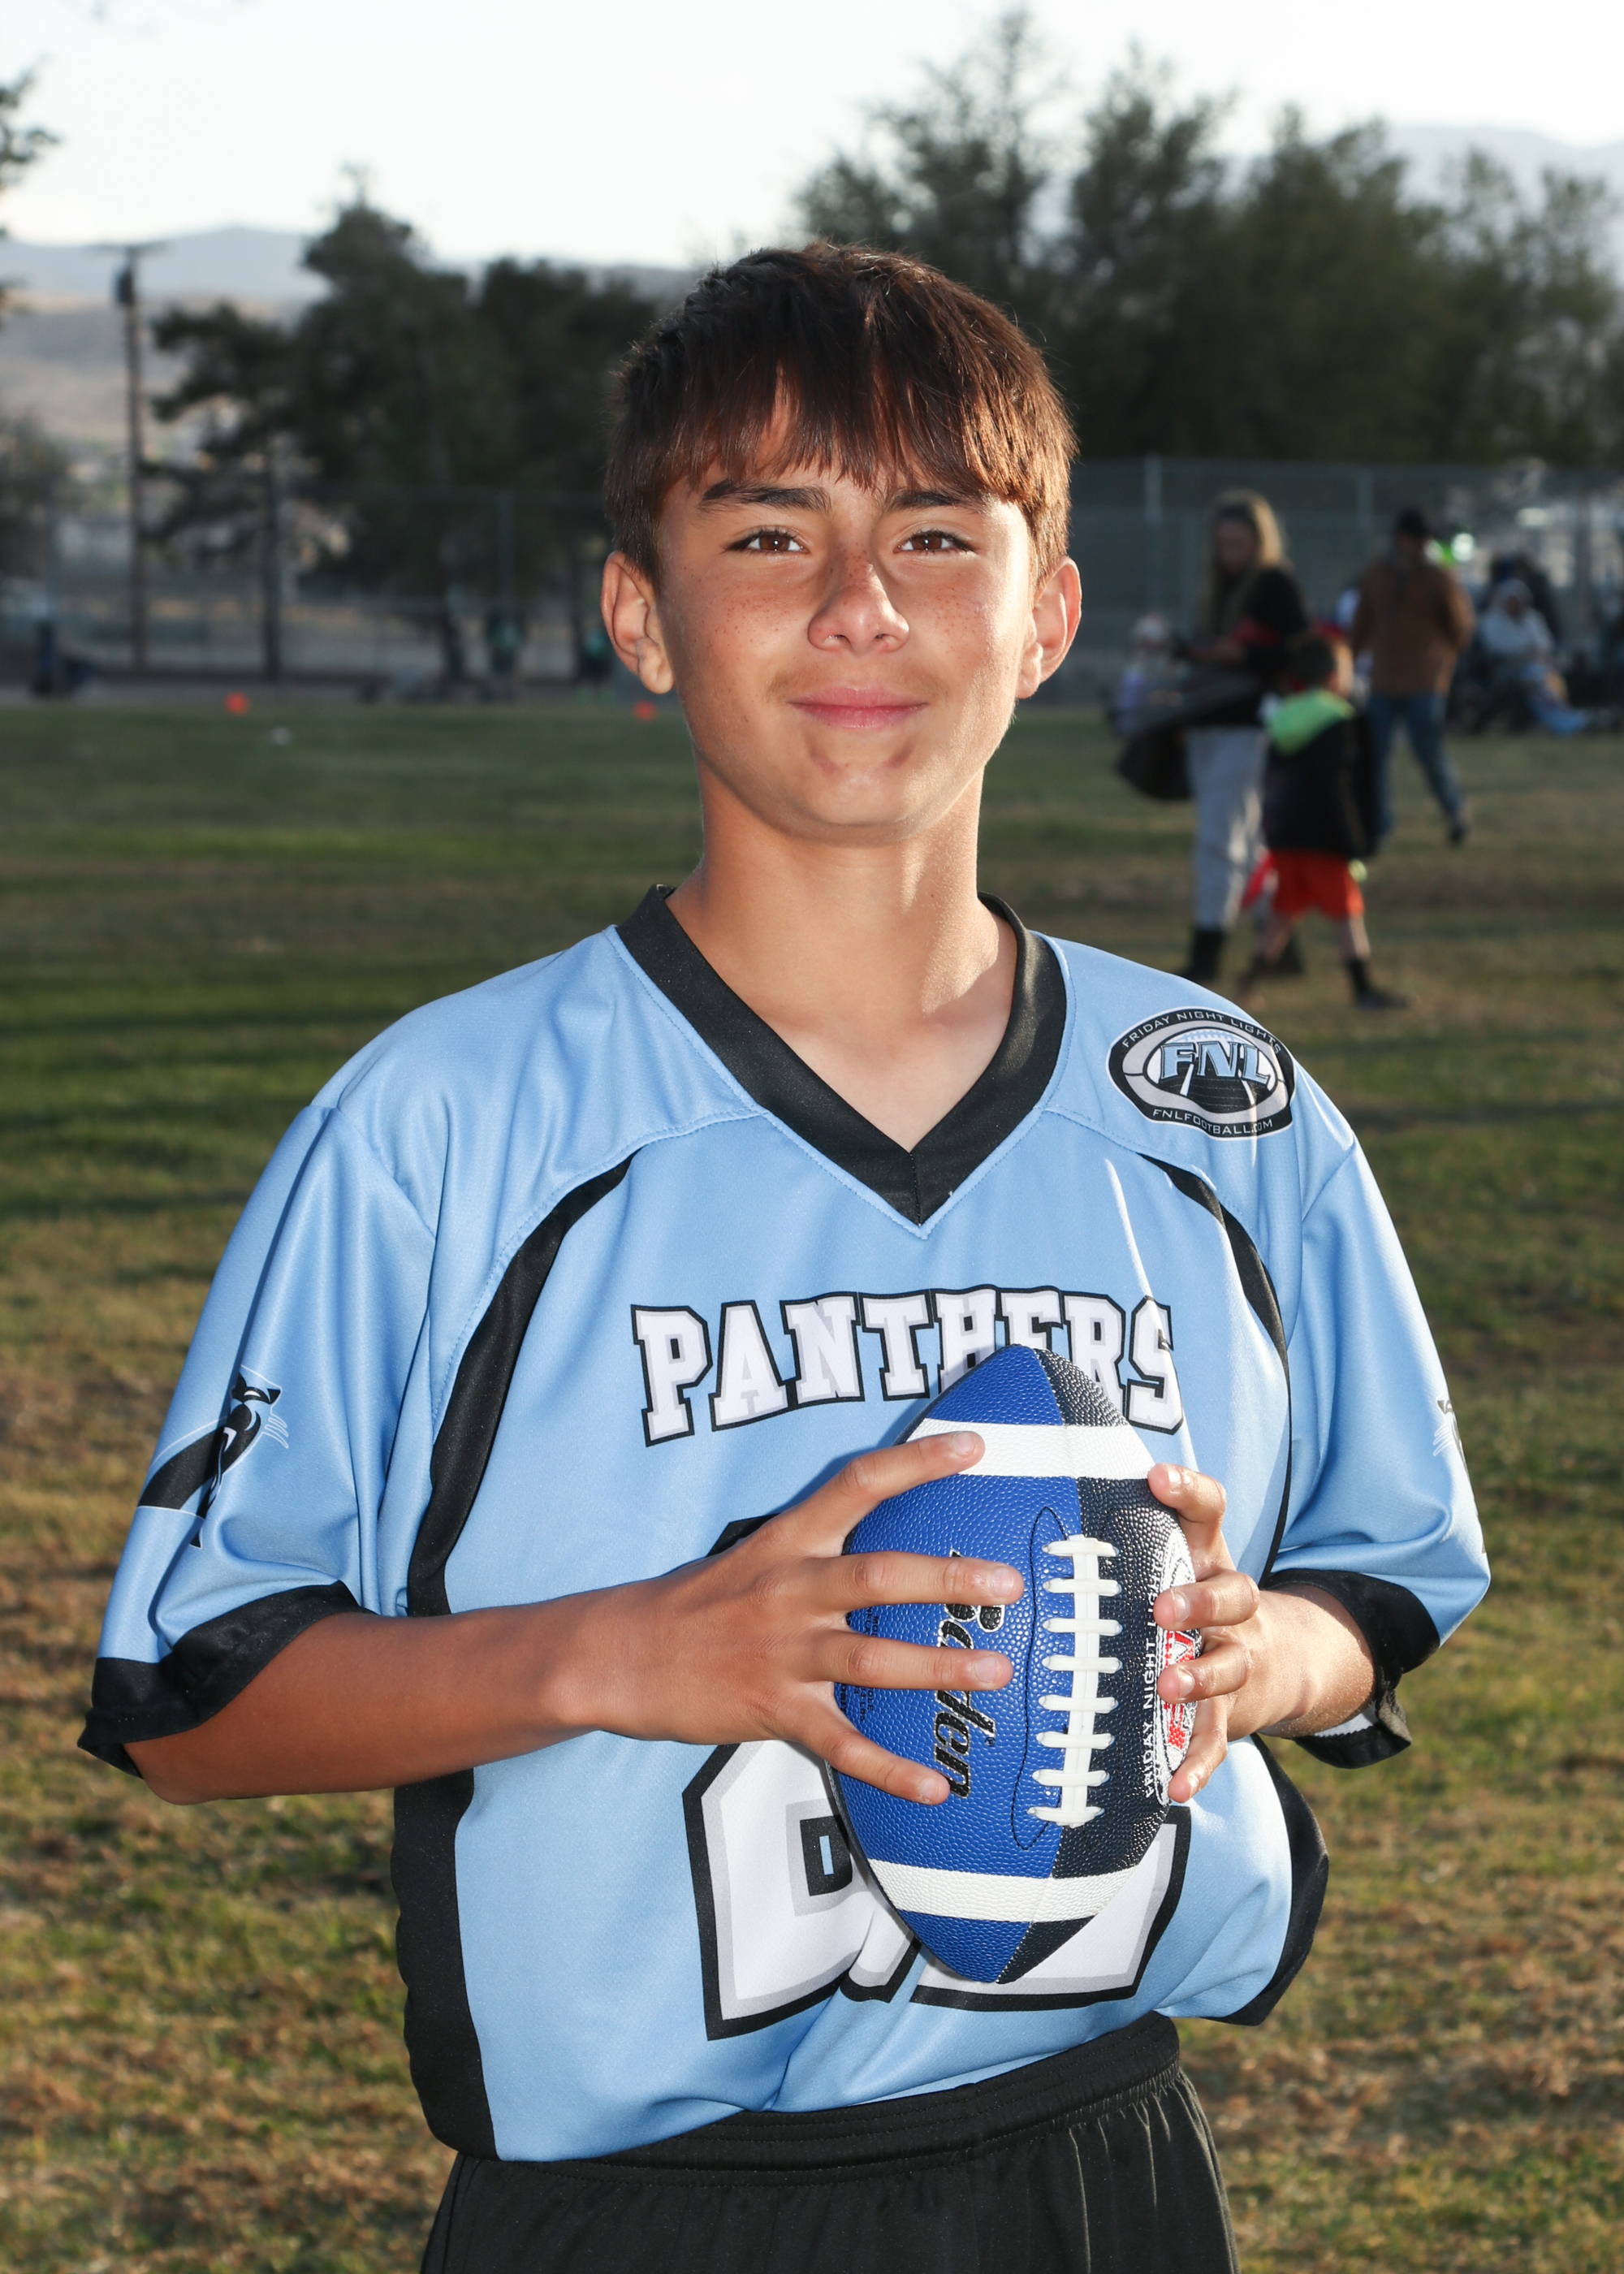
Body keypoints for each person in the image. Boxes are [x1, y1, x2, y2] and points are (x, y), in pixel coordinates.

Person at [80, 246, 1487, 2274]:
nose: (859, 605)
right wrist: (622, 1652)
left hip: (1101, 2165)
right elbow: (190, 1698)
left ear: (1045, 615)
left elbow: (1383, 1573)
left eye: (935, 534)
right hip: (642, 2211)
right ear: (639, 616)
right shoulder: (447, 1122)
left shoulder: (1215, 1105)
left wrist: (1264, 1653)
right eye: (768, 534)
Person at [1180, 491, 1309, 984]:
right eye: (1223, 544)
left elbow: (1303, 653)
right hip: (1210, 721)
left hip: (1249, 725)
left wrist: (1244, 657)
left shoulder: (1274, 583)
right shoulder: (1217, 588)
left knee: (1220, 841)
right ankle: (1282, 949)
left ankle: (1206, 955)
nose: (1229, 554)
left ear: (1260, 542)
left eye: (1239, 544)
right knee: (1247, 843)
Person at [1238, 636, 1406, 1011]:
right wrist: (1353, 839)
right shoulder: (1339, 722)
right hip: (1325, 841)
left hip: (1285, 837)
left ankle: (1245, 988)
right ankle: (1363, 991)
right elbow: (1337, 787)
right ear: (1334, 677)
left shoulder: (1282, 718)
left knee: (1282, 915)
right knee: (1347, 914)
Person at [1350, 508, 1475, 845]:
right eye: (1416, 539)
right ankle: (1379, 824)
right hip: (1384, 679)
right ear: (1401, 539)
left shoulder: (1439, 577)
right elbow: (1362, 622)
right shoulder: (1377, 573)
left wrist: (1443, 661)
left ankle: (1454, 810)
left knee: (1428, 750)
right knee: (1375, 757)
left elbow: (1460, 627)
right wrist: (1350, 658)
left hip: (1425, 680)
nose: (1421, 546)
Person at [1477, 580, 1591, 735]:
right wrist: (1526, 652)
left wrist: (1535, 654)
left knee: (1548, 681)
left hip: (1538, 667)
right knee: (1538, 683)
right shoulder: (1492, 621)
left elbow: (1544, 644)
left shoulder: (1533, 619)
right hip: (1509, 668)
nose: (1514, 605)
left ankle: (1565, 719)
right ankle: (1561, 722)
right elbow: (1497, 648)